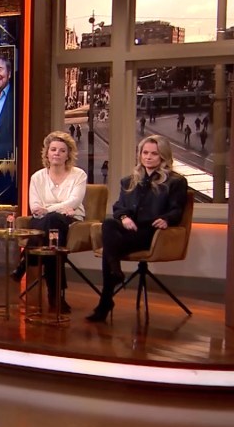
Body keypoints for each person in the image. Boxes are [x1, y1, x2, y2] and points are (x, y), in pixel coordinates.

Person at [87, 135, 187, 322]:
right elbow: (119, 207)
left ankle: (106, 301)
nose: (148, 157)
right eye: (145, 153)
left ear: (163, 156)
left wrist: (166, 219)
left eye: (154, 154)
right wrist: (124, 218)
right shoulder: (129, 181)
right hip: (129, 230)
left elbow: (177, 209)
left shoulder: (175, 181)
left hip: (151, 232)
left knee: (110, 248)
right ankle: (113, 275)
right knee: (109, 224)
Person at [11, 131, 87, 312]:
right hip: (45, 222)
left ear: (68, 154)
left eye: (62, 150)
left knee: (52, 221)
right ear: (47, 153)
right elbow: (34, 206)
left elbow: (74, 202)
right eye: (53, 149)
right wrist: (56, 209)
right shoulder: (37, 177)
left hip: (72, 221)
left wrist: (48, 209)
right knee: (53, 243)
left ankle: (26, 260)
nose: (57, 153)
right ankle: (56, 296)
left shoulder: (79, 175)